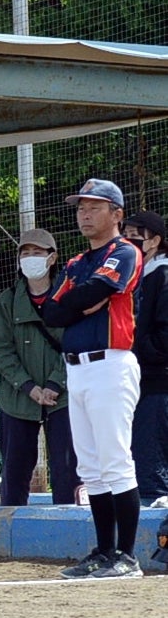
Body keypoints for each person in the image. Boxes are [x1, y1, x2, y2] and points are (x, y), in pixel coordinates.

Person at [40, 179, 143, 579]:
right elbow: (52, 312)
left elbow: (100, 288)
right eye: (81, 207)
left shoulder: (124, 251)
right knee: (91, 466)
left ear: (117, 214)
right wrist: (82, 303)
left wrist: (79, 301)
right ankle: (104, 551)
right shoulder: (76, 262)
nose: (85, 214)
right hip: (77, 367)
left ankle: (128, 557)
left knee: (116, 460)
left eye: (95, 207)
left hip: (111, 362)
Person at [0, 228, 77, 508]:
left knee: (67, 470)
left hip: (62, 396)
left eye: (37, 253)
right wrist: (28, 386)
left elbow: (76, 344)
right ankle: (9, 532)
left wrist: (54, 384)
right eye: (25, 253)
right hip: (17, 398)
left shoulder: (70, 296)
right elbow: (1, 350)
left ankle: (68, 525)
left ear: (52, 258)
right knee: (14, 470)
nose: (30, 258)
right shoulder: (8, 299)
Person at [123, 210, 168, 505]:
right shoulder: (141, 276)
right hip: (144, 382)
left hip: (157, 385)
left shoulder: (162, 275)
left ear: (154, 240)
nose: (127, 240)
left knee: (152, 471)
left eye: (134, 235)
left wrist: (138, 349)